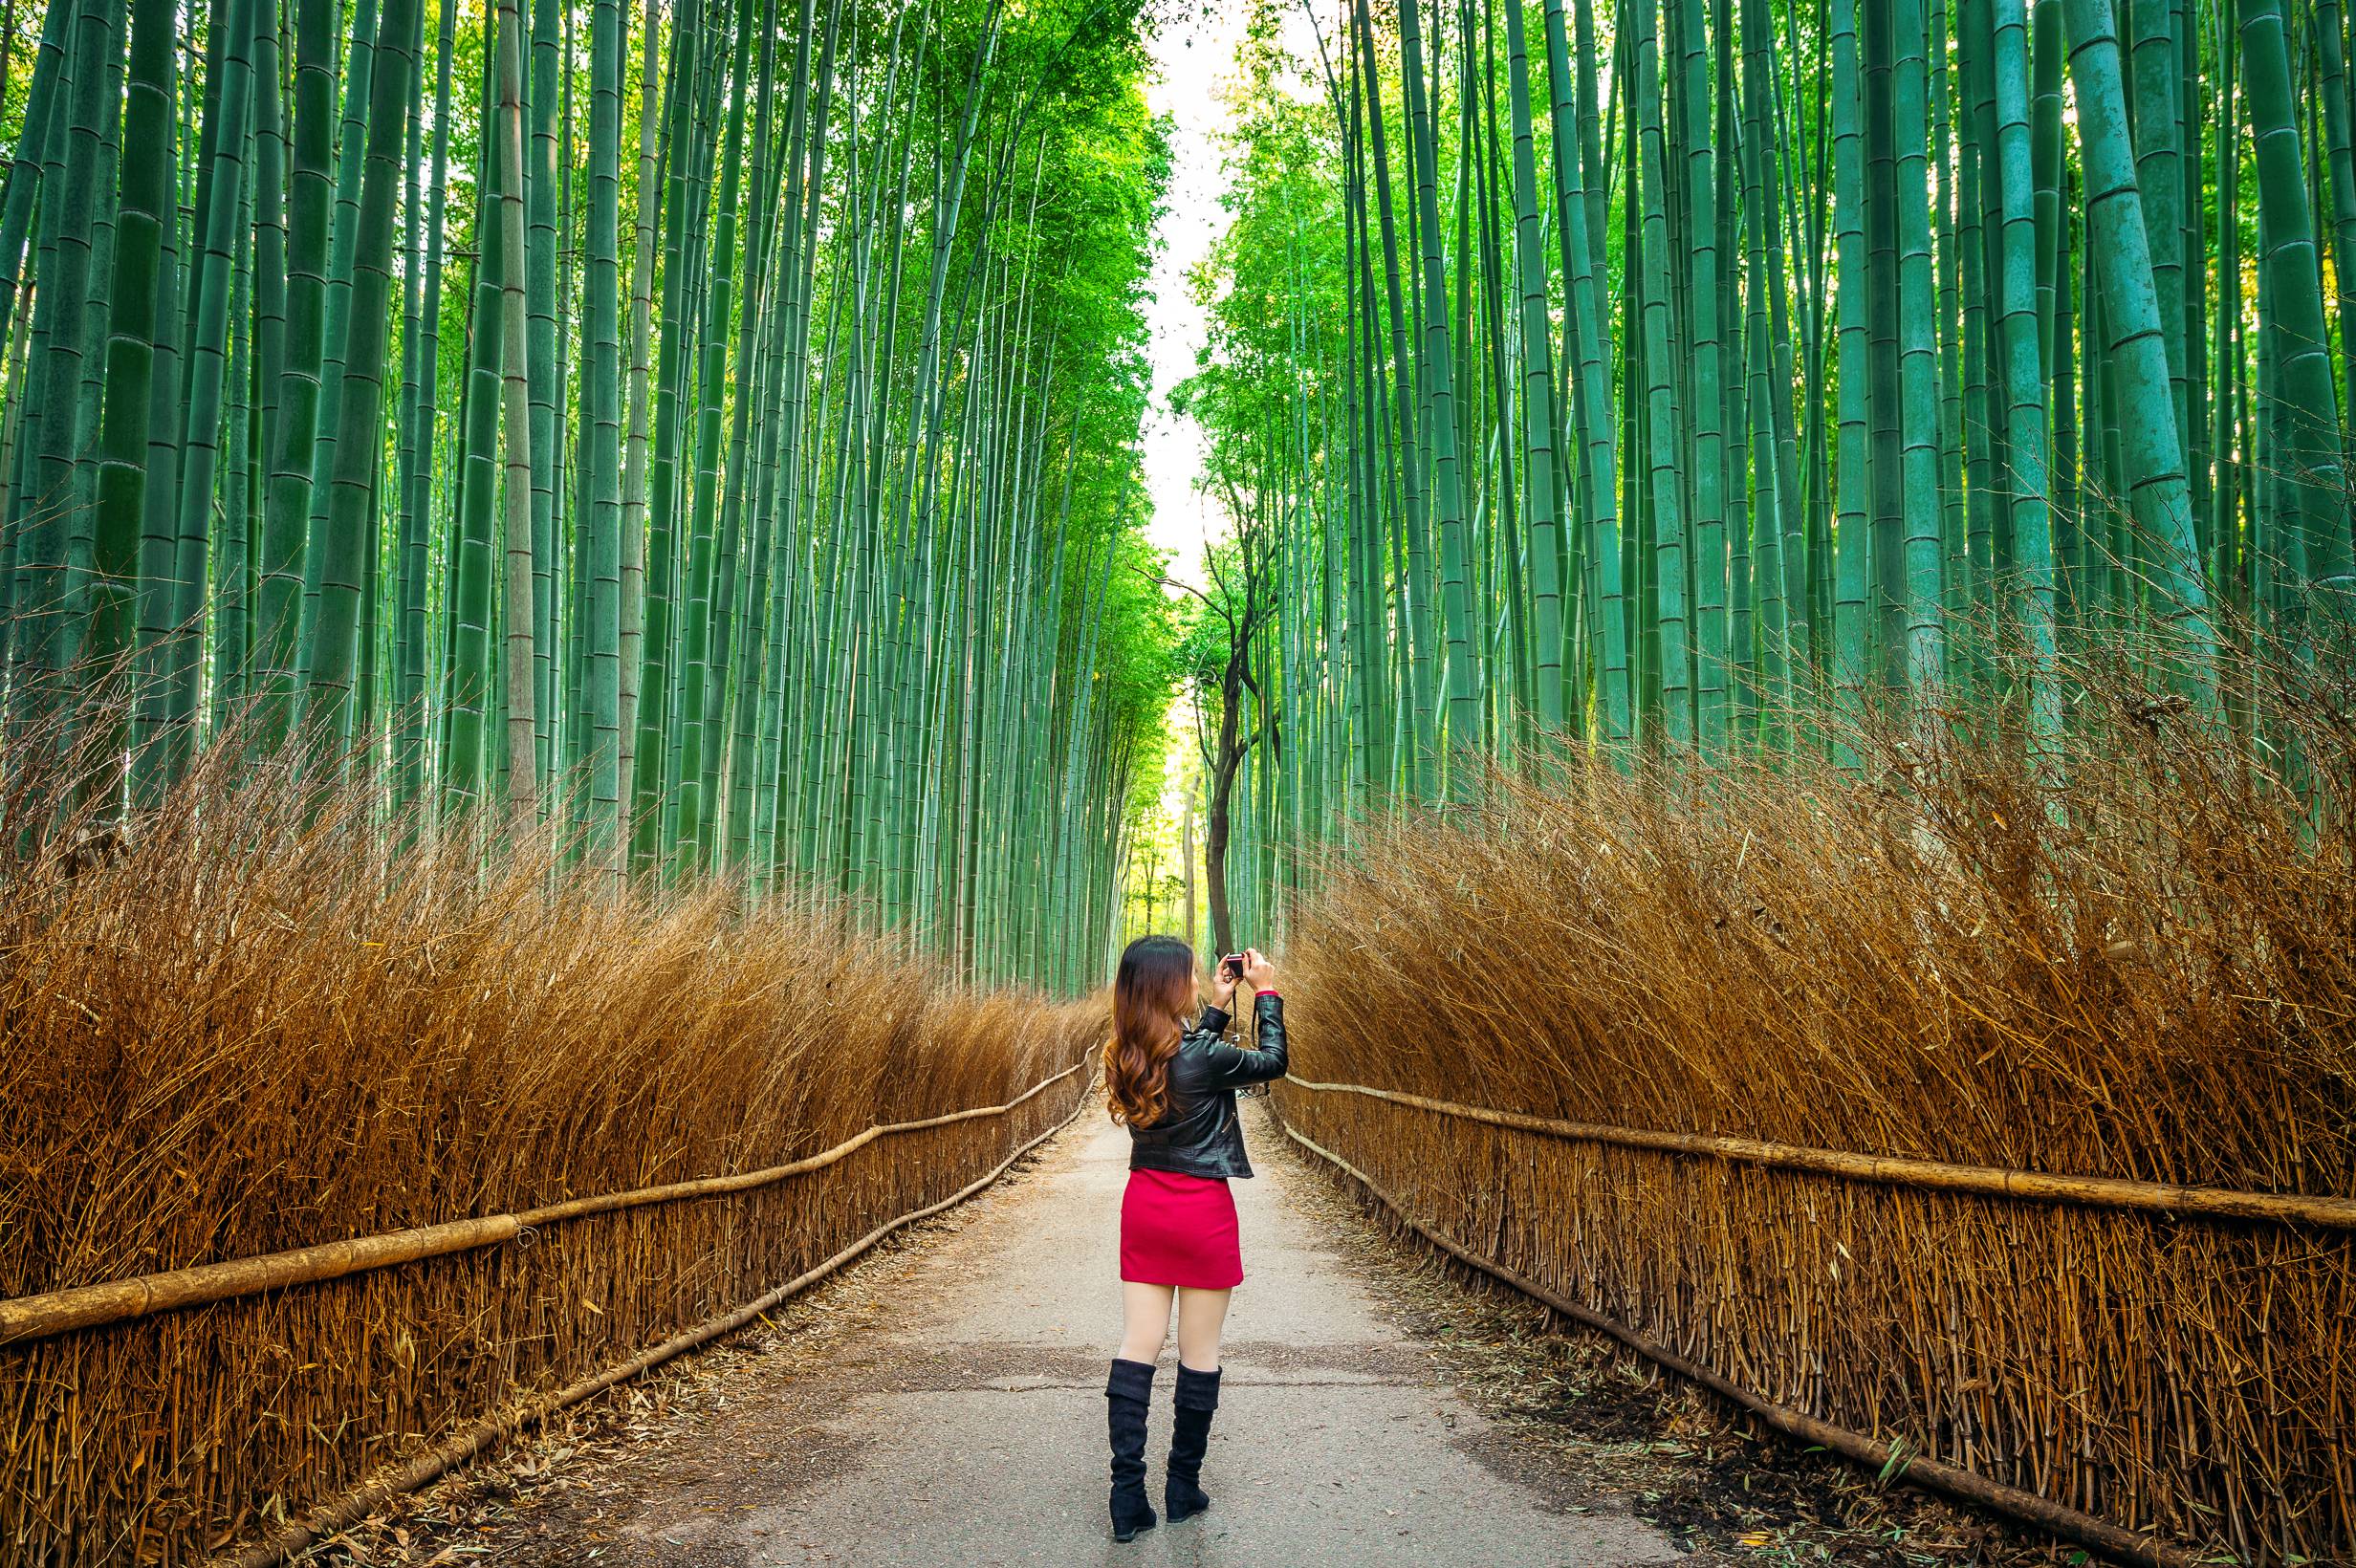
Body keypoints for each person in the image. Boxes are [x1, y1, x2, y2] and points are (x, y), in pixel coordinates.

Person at [1098, 934, 1288, 1542]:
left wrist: (1215, 1007)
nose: (1196, 978)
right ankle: (1182, 1489)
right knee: (1198, 1354)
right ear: (1169, 985)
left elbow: (1185, 1061)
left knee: (1138, 1344)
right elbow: (1269, 1064)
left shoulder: (1124, 1054)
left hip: (1146, 1204)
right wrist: (1268, 993)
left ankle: (1127, 1497)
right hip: (1202, 1209)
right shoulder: (1205, 1056)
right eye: (1189, 974)